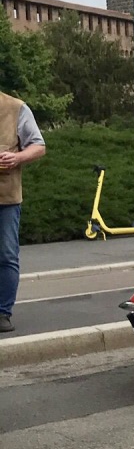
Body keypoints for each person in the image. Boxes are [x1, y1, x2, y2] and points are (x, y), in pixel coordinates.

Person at [0, 91, 46, 333]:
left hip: (6, 198)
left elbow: (38, 145)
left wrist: (16, 157)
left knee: (6, 255)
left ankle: (2, 313)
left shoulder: (16, 108)